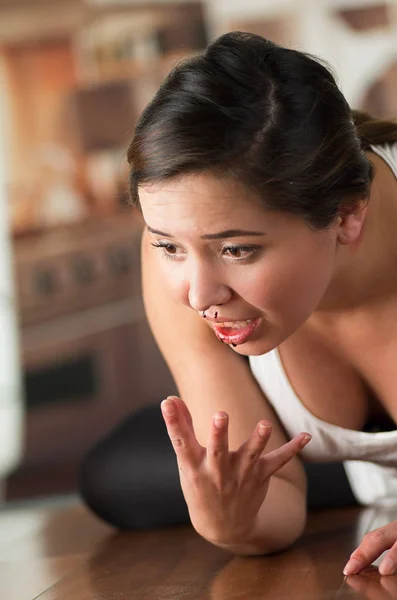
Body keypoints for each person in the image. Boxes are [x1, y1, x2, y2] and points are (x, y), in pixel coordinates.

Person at [79, 32, 397, 576]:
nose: (198, 297)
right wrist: (227, 520)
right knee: (117, 475)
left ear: (347, 215)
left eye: (237, 249)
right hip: (360, 481)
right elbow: (271, 500)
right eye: (168, 245)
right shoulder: (181, 261)